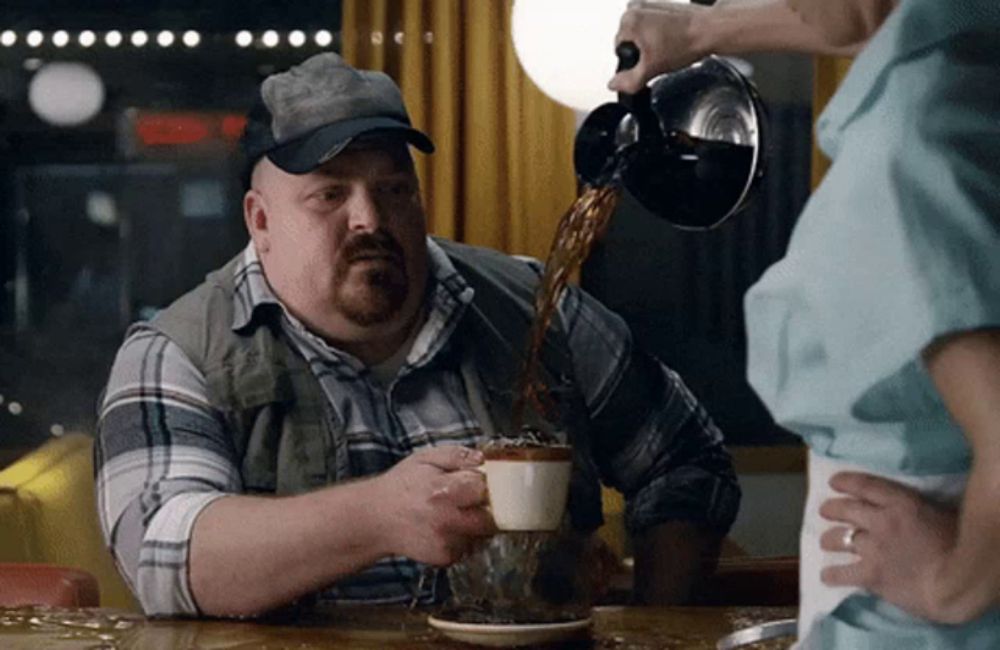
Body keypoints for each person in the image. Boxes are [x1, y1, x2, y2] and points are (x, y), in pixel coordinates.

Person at [94, 52, 740, 618]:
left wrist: (657, 618)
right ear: (261, 221)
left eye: (394, 189)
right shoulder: (178, 352)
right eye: (330, 196)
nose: (370, 219)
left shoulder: (535, 307)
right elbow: (165, 558)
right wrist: (380, 516)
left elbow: (686, 460)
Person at [611, 0, 1000, 647]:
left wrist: (949, 584)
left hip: (917, 624)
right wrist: (701, 32)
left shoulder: (909, 139)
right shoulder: (968, 53)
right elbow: (869, 17)